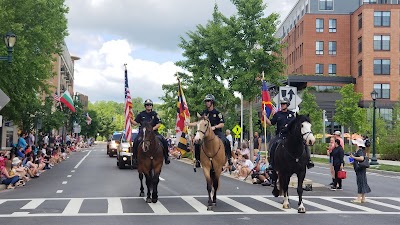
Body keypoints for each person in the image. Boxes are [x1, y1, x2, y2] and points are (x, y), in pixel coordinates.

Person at [264, 97, 314, 170]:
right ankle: (271, 163)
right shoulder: (278, 114)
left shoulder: (292, 114)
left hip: (290, 135)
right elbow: (271, 123)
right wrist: (264, 116)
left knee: (303, 144)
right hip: (280, 135)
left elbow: (296, 124)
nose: (282, 105)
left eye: (284, 104)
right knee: (273, 143)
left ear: (287, 105)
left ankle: (308, 160)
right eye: (281, 104)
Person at [186, 94, 232, 168]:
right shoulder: (203, 113)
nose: (207, 103)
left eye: (208, 101)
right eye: (206, 101)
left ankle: (229, 159)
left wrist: (214, 127)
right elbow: (198, 123)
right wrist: (189, 124)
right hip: (205, 133)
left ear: (212, 102)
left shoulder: (217, 113)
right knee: (197, 142)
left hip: (216, 131)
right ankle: (197, 160)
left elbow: (222, 124)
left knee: (226, 140)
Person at [132, 99, 170, 164]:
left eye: (150, 105)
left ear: (152, 106)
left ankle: (166, 156)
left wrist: (152, 129)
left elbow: (159, 124)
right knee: (136, 141)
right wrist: (129, 119)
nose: (149, 106)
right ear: (145, 106)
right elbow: (135, 123)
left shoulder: (155, 114)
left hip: (154, 132)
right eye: (147, 105)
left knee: (164, 140)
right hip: (143, 133)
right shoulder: (141, 114)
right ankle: (135, 158)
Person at [350, 138, 371, 203]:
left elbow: (361, 158)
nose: (354, 144)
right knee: (363, 182)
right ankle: (363, 198)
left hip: (360, 168)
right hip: (361, 168)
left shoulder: (360, 151)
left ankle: (359, 198)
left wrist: (353, 157)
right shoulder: (362, 150)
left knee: (360, 182)